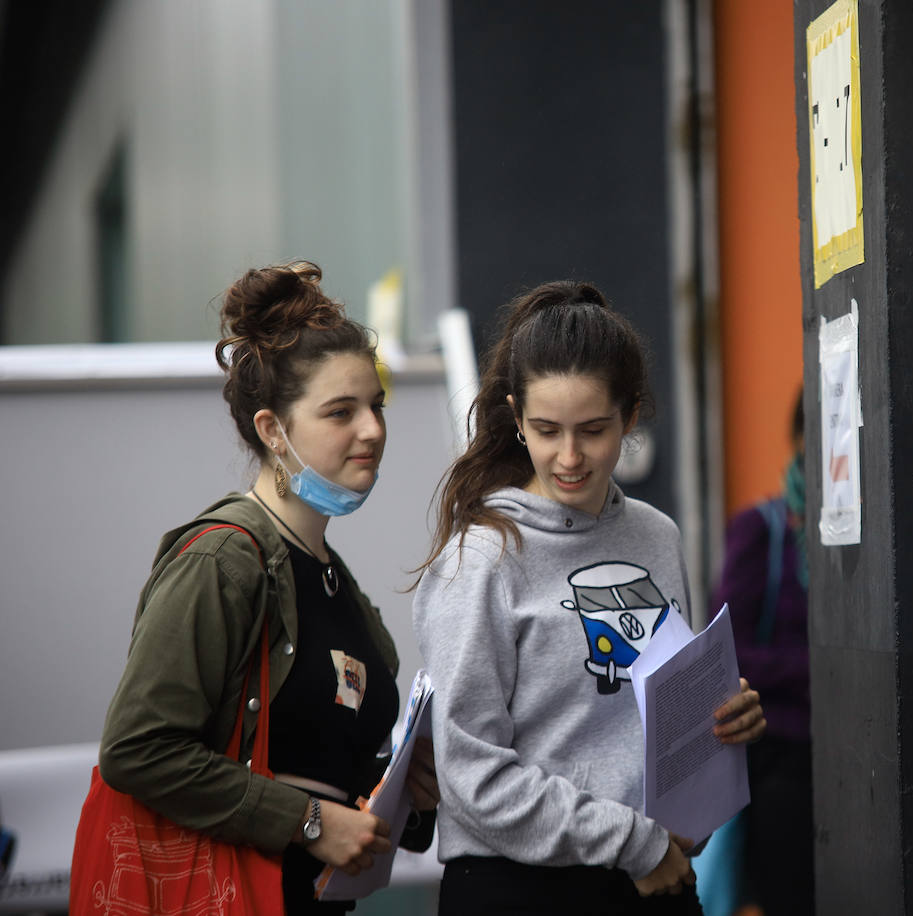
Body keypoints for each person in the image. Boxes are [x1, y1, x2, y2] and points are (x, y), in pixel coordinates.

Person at [412, 280, 767, 915]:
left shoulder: (656, 535)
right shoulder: (482, 558)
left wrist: (720, 732)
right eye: (546, 430)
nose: (569, 457)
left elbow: (659, 724)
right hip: (521, 890)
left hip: (655, 878)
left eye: (594, 430)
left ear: (630, 417)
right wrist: (637, 842)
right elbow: (472, 777)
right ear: (516, 416)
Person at [97, 261, 439, 915]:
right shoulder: (224, 560)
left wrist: (406, 796)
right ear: (272, 431)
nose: (372, 429)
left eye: (376, 405)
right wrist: (309, 820)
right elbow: (136, 749)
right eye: (341, 411)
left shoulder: (333, 579)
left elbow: (324, 764)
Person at [711, 390, 813, 915]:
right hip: (782, 764)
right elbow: (726, 653)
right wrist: (819, 671)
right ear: (798, 439)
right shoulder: (763, 531)